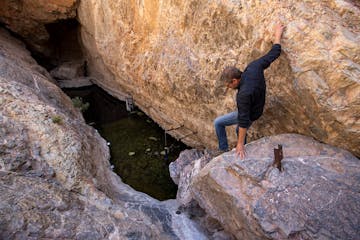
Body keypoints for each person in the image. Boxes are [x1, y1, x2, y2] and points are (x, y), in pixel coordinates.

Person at [214, 23, 285, 159]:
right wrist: (277, 35)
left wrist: (239, 143)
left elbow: (244, 120)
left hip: (253, 112)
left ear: (234, 81)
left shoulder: (243, 95)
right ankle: (226, 149)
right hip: (256, 104)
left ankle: (238, 152)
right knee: (228, 125)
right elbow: (273, 53)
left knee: (222, 124)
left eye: (228, 85)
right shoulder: (254, 67)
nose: (228, 88)